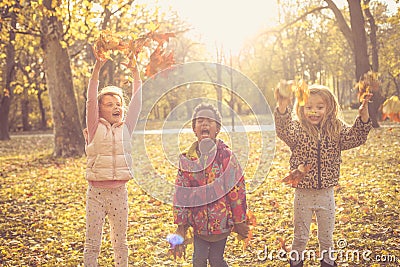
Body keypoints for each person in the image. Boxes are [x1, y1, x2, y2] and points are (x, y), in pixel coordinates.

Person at [274, 84, 373, 267]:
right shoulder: (298, 130)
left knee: (326, 237)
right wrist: (282, 105)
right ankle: (296, 262)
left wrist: (363, 116)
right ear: (301, 108)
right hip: (303, 193)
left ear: (329, 108)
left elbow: (356, 137)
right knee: (300, 236)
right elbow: (283, 129)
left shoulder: (336, 129)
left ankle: (328, 263)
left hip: (326, 194)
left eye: (320, 107)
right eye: (309, 107)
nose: (314, 112)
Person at [172, 103, 249, 267]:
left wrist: (239, 220)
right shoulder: (187, 159)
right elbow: (181, 193)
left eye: (209, 121)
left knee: (216, 259)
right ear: (194, 128)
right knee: (198, 260)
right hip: (198, 223)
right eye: (200, 121)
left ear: (217, 129)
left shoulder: (226, 156)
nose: (204, 124)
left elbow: (237, 190)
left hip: (221, 222)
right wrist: (181, 224)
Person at [82, 54, 142, 266]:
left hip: (119, 193)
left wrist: (135, 72)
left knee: (120, 243)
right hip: (96, 194)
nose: (116, 107)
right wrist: (97, 68)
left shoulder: (126, 129)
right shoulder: (94, 126)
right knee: (92, 244)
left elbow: (137, 103)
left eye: (118, 103)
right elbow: (90, 100)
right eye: (109, 104)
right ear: (99, 109)